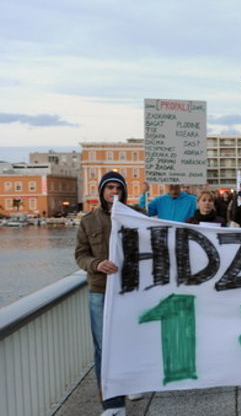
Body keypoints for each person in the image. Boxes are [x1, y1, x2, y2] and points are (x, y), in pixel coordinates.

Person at [74, 171, 129, 415]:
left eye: (118, 188)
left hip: (129, 290)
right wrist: (96, 264)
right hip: (100, 290)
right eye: (110, 187)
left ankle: (130, 385)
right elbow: (80, 255)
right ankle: (112, 402)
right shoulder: (88, 222)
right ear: (102, 191)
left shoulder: (135, 216)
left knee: (129, 342)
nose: (114, 192)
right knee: (103, 347)